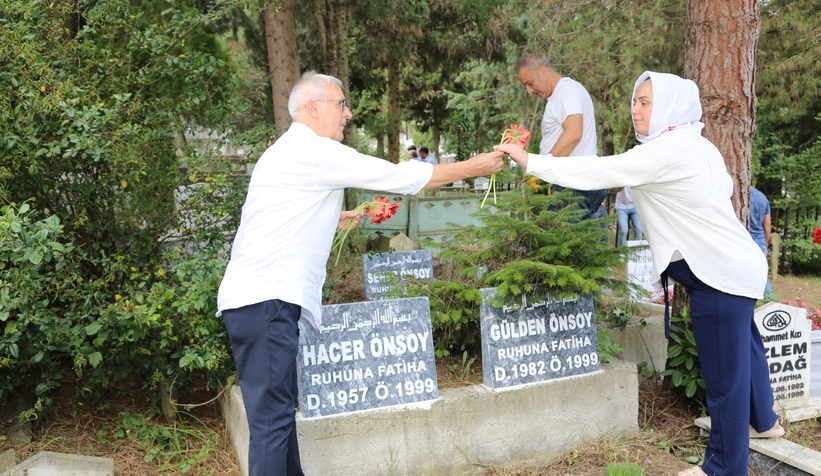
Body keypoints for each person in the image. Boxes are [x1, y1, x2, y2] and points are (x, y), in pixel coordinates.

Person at [216, 71, 503, 476]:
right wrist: (474, 167)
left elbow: (281, 212)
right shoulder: (314, 151)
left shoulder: (289, 150)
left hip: (262, 301)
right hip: (266, 302)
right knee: (270, 424)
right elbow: (401, 177)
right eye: (341, 104)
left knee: (278, 417)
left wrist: (341, 216)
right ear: (313, 108)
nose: (347, 113)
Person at [496, 71, 782, 476]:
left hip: (718, 276)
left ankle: (723, 468)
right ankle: (765, 423)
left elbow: (599, 170)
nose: (635, 108)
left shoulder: (665, 152)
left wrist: (531, 161)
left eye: (645, 102)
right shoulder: (695, 146)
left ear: (668, 106)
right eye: (635, 100)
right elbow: (725, 191)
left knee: (724, 379)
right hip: (738, 266)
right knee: (745, 351)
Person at [516, 53, 606, 219]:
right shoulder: (560, 94)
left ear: (543, 71)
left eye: (530, 83)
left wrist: (542, 168)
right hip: (571, 184)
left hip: (574, 186)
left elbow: (573, 134)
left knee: (557, 237)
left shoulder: (566, 91)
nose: (529, 91)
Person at [750, 186, 773, 294]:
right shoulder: (762, 197)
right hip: (759, 240)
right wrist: (766, 243)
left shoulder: (736, 196)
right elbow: (767, 224)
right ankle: (769, 298)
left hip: (744, 239)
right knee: (761, 274)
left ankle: (768, 298)